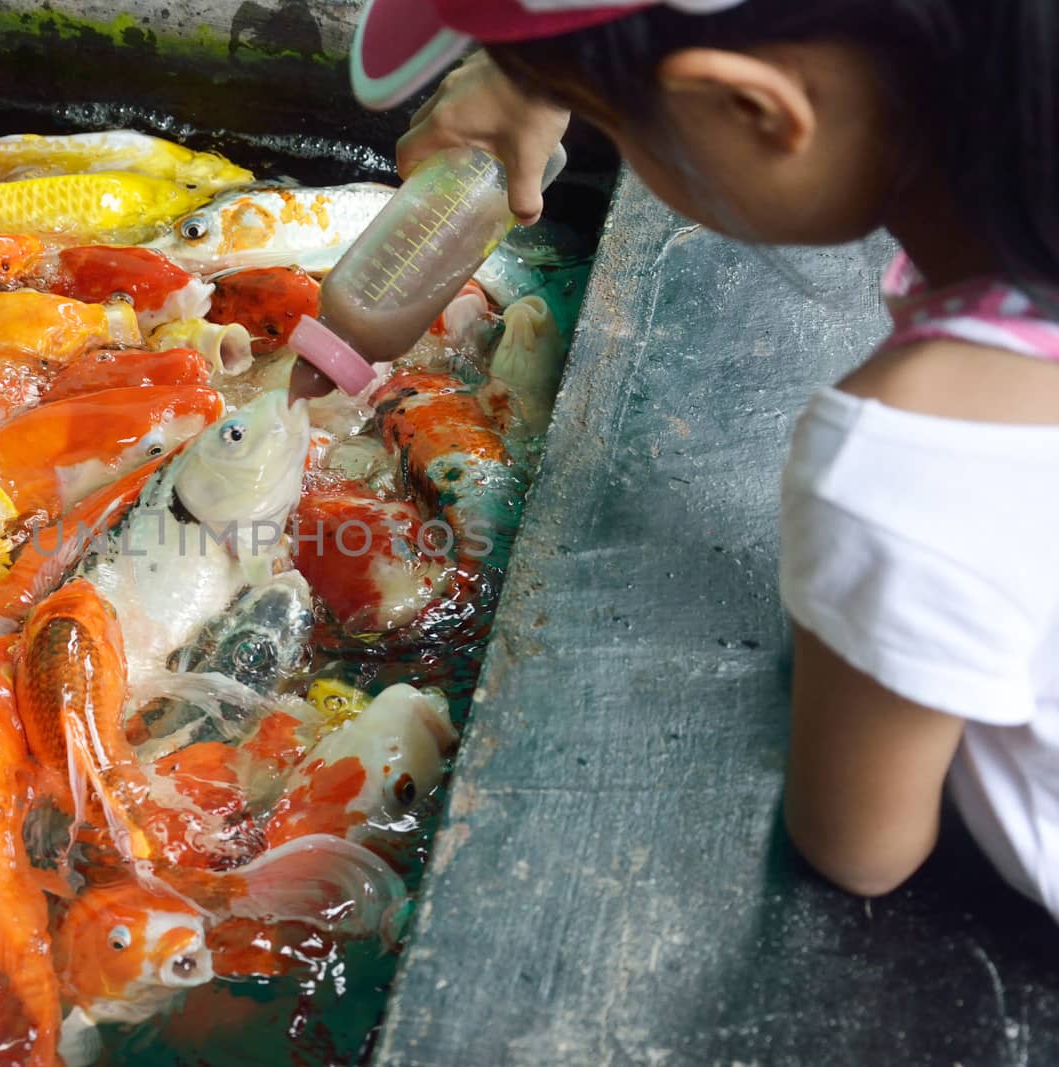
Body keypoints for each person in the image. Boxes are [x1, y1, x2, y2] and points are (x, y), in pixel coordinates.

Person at [334, 0, 1059, 919]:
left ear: (751, 112)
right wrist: (535, 77)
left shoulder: (908, 463)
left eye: (619, 127)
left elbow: (862, 847)